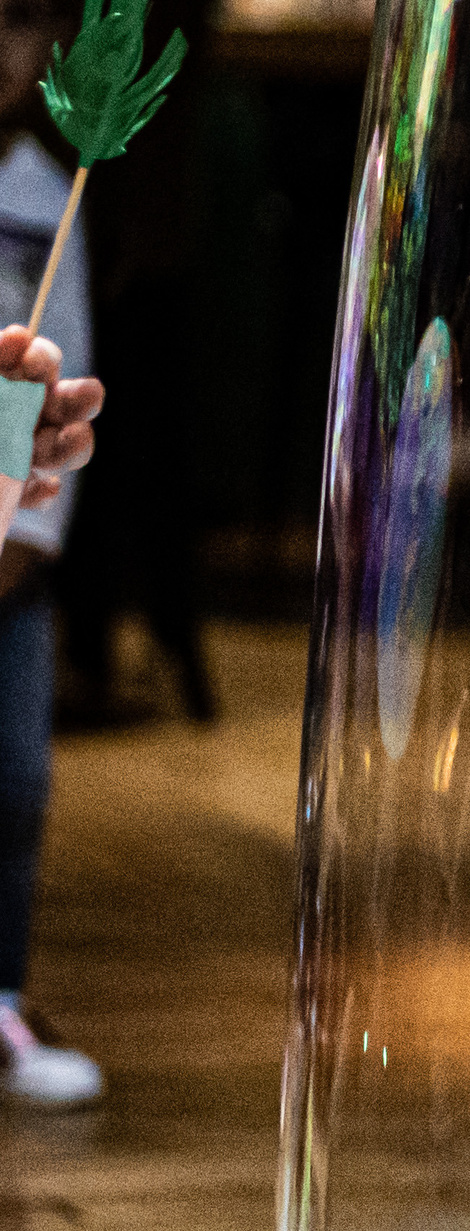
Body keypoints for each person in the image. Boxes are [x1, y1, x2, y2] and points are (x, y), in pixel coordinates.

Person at [0, 0, 99, 1109]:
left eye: (23, 19)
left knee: (18, 781)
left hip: (12, 566)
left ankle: (4, 996)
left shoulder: (44, 198)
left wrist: (20, 539)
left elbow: (51, 375)